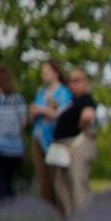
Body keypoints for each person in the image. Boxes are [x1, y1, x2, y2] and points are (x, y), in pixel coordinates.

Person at [48, 67, 97, 218]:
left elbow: (88, 115)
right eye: (70, 81)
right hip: (63, 147)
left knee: (77, 185)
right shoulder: (71, 102)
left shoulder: (86, 99)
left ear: (85, 82)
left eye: (77, 80)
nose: (72, 84)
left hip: (76, 146)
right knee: (62, 186)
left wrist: (80, 128)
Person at [29, 60, 72, 209]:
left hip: (56, 141)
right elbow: (34, 114)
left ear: (55, 73)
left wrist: (42, 110)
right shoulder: (41, 92)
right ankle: (47, 215)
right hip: (38, 138)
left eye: (46, 71)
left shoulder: (64, 93)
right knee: (43, 181)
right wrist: (34, 112)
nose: (43, 74)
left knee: (57, 181)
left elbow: (62, 114)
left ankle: (61, 215)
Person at [0, 64, 27, 203]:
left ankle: (0, 216)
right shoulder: (18, 100)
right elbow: (23, 124)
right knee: (8, 186)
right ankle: (9, 214)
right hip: (14, 150)